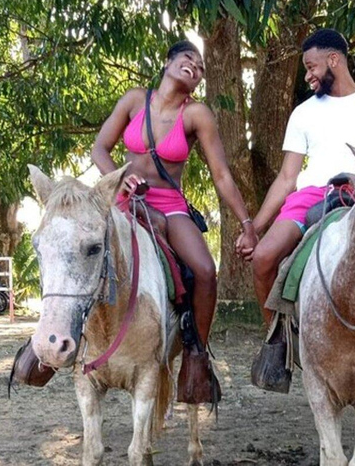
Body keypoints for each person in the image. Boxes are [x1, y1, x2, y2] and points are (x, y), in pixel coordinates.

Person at [91, 40, 258, 403]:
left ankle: (196, 356)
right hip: (123, 200)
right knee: (77, 245)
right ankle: (49, 344)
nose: (195, 66)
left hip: (168, 205)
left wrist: (247, 223)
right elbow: (99, 148)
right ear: (167, 62)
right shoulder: (135, 99)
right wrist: (118, 178)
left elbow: (222, 175)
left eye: (200, 67)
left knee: (205, 270)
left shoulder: (197, 114)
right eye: (188, 58)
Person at [237, 28, 355, 324]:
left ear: (333, 60)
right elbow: (287, 178)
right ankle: (275, 340)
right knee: (264, 258)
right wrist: (254, 228)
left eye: (311, 67)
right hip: (311, 196)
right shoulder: (303, 113)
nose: (307, 76)